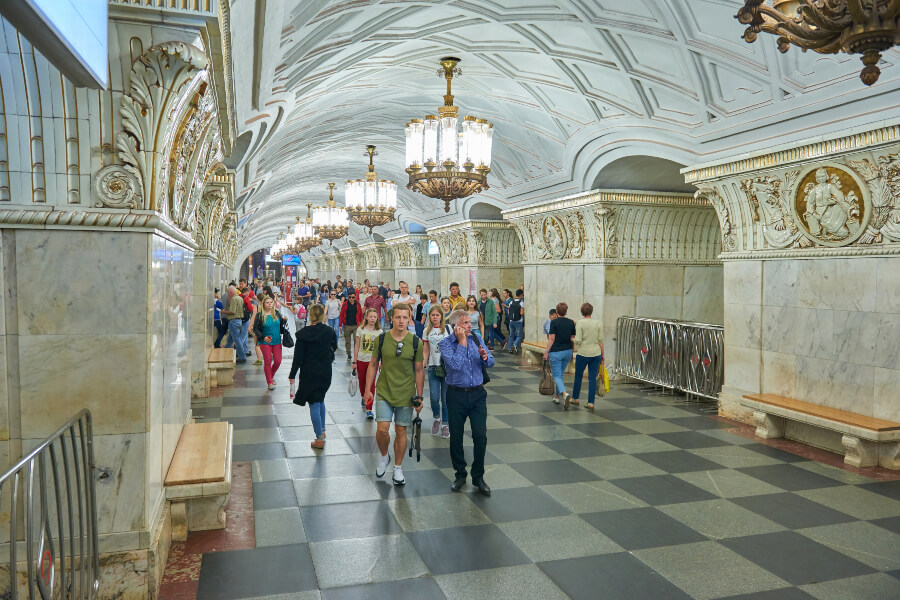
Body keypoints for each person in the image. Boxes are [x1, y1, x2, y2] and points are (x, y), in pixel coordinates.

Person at [363, 304, 424, 486]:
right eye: (398, 317)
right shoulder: (381, 340)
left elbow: (419, 370)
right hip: (384, 390)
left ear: (409, 319)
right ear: (391, 318)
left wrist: (419, 396)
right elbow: (373, 364)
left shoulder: (416, 343)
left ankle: (398, 467)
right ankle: (384, 456)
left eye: (405, 318)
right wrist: (368, 389)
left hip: (406, 393)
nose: (401, 321)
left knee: (400, 430)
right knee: (382, 429)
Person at [439, 309, 494, 495]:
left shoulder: (477, 338)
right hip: (456, 395)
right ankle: (460, 474)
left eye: (470, 322)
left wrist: (485, 357)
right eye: (465, 323)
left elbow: (491, 361)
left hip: (478, 394)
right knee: (456, 436)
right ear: (456, 326)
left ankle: (478, 476)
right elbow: (454, 365)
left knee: (480, 435)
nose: (470, 326)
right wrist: (462, 343)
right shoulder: (445, 343)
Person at [289, 304, 337, 449]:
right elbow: (333, 347)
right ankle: (322, 431)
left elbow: (298, 358)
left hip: (309, 372)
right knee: (320, 399)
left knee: (314, 403)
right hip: (325, 371)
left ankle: (319, 438)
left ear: (310, 315)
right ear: (322, 315)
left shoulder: (303, 334)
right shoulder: (329, 331)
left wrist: (292, 375)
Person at [423, 306, 451, 438]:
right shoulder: (426, 331)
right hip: (434, 367)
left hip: (447, 368)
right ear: (429, 317)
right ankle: (437, 418)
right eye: (432, 315)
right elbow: (426, 350)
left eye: (437, 315)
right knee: (434, 398)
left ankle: (445, 424)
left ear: (441, 316)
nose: (435, 317)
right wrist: (423, 363)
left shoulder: (448, 329)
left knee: (445, 399)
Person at [572, 302, 605, 410]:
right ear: (591, 311)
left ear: (582, 312)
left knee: (578, 376)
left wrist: (571, 339)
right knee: (592, 378)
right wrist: (603, 355)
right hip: (596, 354)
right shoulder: (598, 323)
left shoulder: (580, 323)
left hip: (583, 353)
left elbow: (578, 340)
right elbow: (601, 341)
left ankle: (575, 398)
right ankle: (591, 402)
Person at [543, 302, 576, 408]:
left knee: (556, 375)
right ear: (566, 311)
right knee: (560, 374)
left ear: (557, 312)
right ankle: (557, 396)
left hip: (556, 351)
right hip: (567, 351)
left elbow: (551, 339)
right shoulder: (571, 322)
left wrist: (546, 352)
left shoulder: (554, 323)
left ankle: (564, 393)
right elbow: (572, 338)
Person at [353, 308, 383, 419]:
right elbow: (357, 346)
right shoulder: (360, 330)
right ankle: (363, 396)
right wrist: (354, 361)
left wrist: (381, 362)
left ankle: (369, 408)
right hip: (361, 360)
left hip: (373, 361)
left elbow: (381, 349)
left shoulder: (379, 332)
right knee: (362, 382)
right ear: (366, 317)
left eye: (375, 317)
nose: (373, 319)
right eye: (371, 316)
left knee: (370, 384)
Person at [253, 296, 284, 390]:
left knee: (278, 361)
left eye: (271, 302)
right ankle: (269, 382)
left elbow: (282, 326)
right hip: (265, 341)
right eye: (267, 302)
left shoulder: (277, 314)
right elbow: (256, 328)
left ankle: (271, 375)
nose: (270, 304)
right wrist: (263, 337)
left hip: (277, 341)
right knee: (268, 361)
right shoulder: (260, 315)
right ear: (264, 304)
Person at [221, 286, 248, 363]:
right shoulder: (240, 298)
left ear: (230, 292)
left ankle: (242, 357)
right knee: (230, 339)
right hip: (239, 321)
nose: (228, 295)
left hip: (234, 321)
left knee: (237, 340)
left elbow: (232, 311)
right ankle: (225, 353)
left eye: (228, 293)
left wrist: (223, 312)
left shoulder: (233, 299)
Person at [339, 290, 363, 360]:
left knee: (356, 340)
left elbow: (361, 314)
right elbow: (341, 315)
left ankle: (356, 353)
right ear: (348, 297)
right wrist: (340, 325)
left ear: (355, 297)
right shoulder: (345, 305)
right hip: (347, 325)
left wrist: (362, 322)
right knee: (348, 341)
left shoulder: (358, 304)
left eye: (353, 297)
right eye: (350, 297)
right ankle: (349, 354)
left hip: (356, 325)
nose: (351, 299)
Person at [508, 289, 524, 354]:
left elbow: (509, 312)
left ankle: (509, 348)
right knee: (520, 335)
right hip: (519, 321)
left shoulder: (511, 302)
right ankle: (515, 345)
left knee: (511, 335)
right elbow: (521, 313)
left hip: (511, 321)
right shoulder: (521, 303)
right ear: (521, 295)